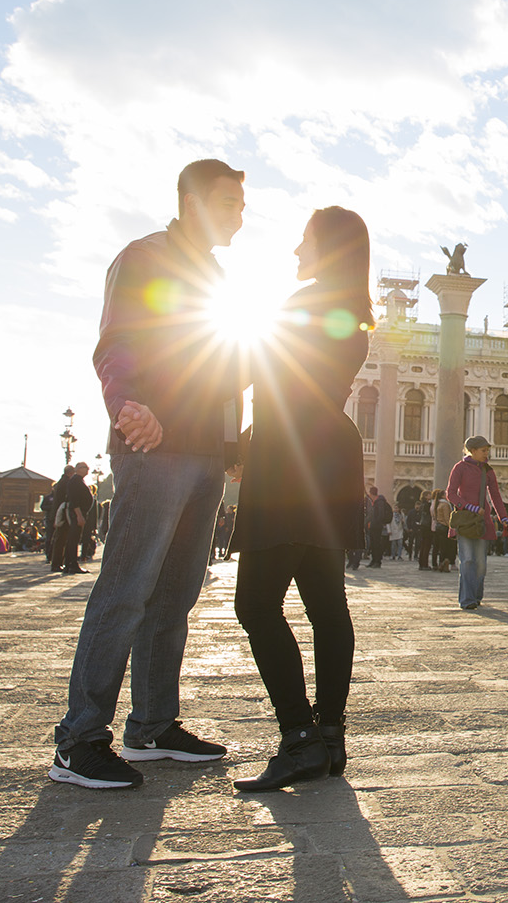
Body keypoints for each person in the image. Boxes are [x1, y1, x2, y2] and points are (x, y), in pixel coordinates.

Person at [50, 158, 245, 791]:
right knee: (127, 586)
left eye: (242, 205)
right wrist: (127, 405)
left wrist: (231, 439)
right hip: (154, 446)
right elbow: (116, 344)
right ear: (190, 200)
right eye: (226, 203)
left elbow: (223, 359)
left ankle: (154, 724)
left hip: (204, 454)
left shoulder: (215, 274)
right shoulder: (144, 257)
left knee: (177, 591)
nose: (238, 215)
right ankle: (79, 739)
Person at [228, 206, 371, 792]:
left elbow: (254, 371)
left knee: (256, 604)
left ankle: (298, 737)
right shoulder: (355, 313)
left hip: (291, 457)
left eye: (304, 241)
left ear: (328, 247)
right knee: (325, 605)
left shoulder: (304, 305)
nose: (294, 251)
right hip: (332, 455)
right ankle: (330, 735)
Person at [445, 435, 508, 610]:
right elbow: (450, 494)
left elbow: (495, 496)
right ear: (472, 451)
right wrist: (469, 507)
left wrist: (503, 517)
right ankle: (467, 600)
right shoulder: (460, 468)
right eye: (483, 450)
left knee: (481, 563)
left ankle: (476, 595)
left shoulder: (487, 470)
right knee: (467, 560)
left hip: (482, 521)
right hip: (466, 521)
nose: (486, 453)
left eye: (487, 450)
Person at [53, 460, 93, 575]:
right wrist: (79, 516)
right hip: (76, 513)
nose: (87, 469)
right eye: (85, 467)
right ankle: (72, 564)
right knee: (73, 539)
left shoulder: (78, 481)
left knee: (73, 539)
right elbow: (74, 500)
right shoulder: (75, 481)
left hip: (78, 513)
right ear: (78, 469)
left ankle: (69, 564)